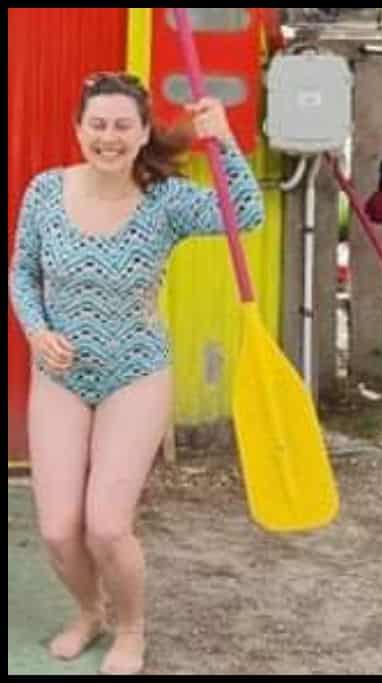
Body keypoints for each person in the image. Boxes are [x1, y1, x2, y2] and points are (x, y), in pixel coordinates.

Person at [9, 71, 264, 674]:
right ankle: (89, 610)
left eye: (123, 125)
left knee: (105, 524)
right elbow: (22, 272)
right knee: (56, 528)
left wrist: (222, 140)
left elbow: (245, 216)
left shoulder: (167, 201)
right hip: (60, 376)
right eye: (97, 124)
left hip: (135, 373)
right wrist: (37, 331)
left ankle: (131, 628)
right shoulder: (45, 192)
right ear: (78, 130)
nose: (109, 136)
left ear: (143, 132)